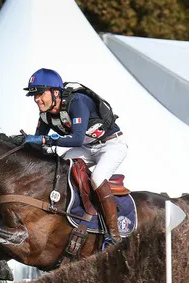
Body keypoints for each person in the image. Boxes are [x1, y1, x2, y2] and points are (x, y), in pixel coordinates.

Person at [23, 68, 127, 244]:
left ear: (55, 92)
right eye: (34, 95)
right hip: (88, 147)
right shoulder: (45, 114)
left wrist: (46, 140)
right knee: (60, 168)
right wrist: (22, 142)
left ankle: (114, 235)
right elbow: (38, 142)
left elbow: (77, 139)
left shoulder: (77, 102)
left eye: (40, 94)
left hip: (111, 145)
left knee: (97, 178)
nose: (36, 99)